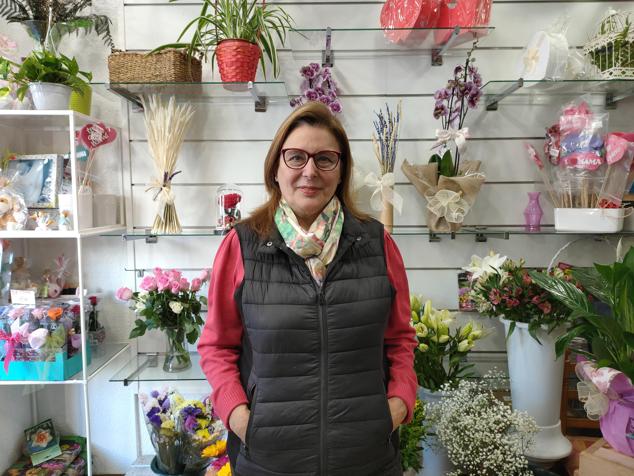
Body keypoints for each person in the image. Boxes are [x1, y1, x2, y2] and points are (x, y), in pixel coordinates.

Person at [198, 101, 417, 476]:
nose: (310, 172)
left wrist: (398, 404)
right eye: (296, 157)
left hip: (367, 459)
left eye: (325, 159)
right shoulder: (242, 244)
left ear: (341, 169)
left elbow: (399, 339)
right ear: (276, 167)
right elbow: (217, 345)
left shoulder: (377, 243)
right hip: (269, 459)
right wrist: (239, 415)